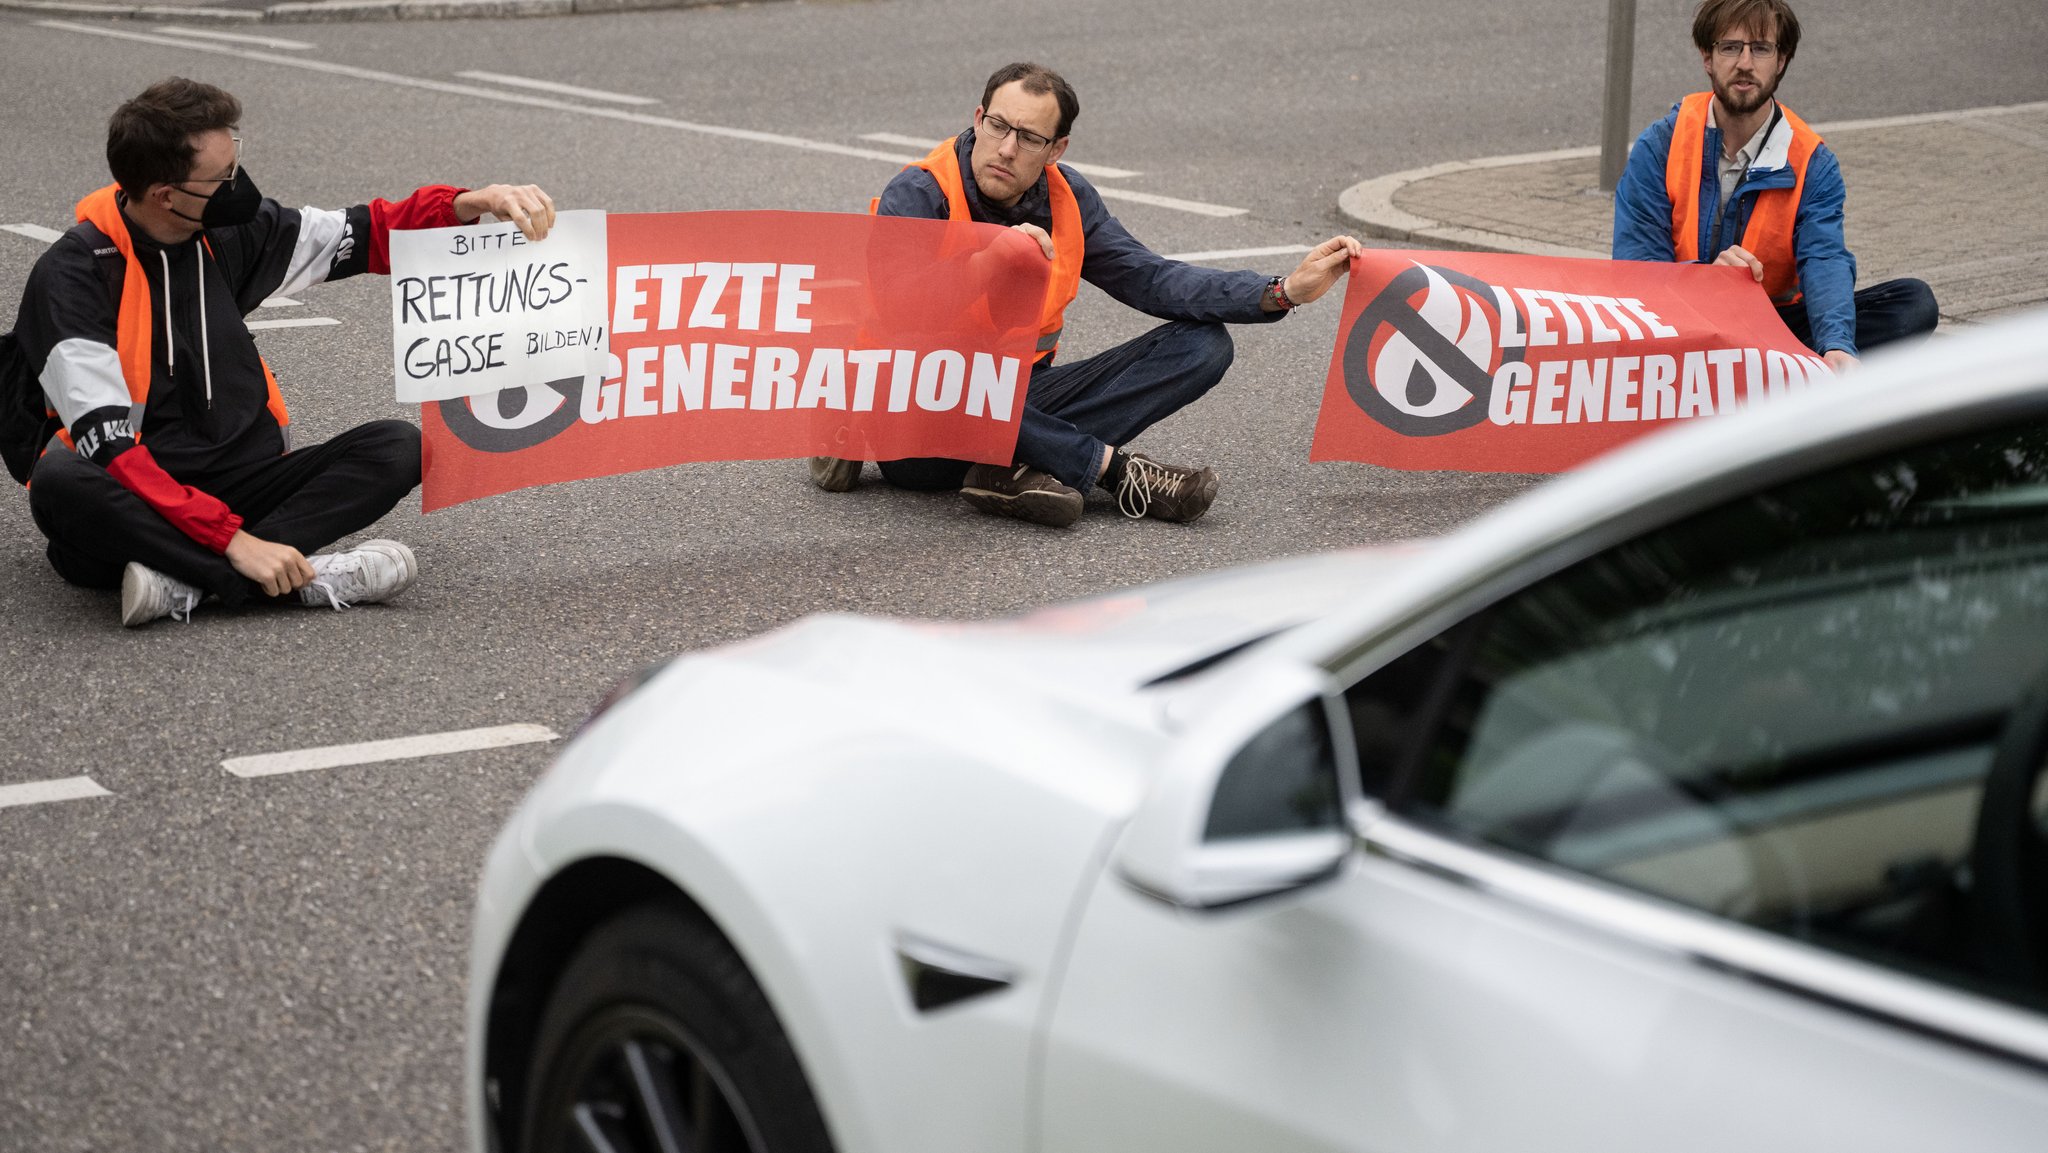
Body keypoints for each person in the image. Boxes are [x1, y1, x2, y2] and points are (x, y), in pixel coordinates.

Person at [10, 77, 557, 626]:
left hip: (243, 483)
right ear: (165, 195)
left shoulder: (229, 232)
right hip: (140, 497)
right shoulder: (73, 277)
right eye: (220, 178)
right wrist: (231, 542)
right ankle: (286, 578)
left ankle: (187, 584)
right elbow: (109, 447)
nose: (237, 185)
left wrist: (470, 203)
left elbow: (363, 233)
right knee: (62, 482)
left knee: (399, 447)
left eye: (235, 163)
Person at [810, 61, 1362, 528]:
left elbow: (1151, 278)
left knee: (1204, 346)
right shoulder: (919, 193)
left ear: (1056, 148)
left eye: (1028, 138)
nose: (1006, 148)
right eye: (998, 125)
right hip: (923, 412)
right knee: (967, 392)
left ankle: (1012, 468)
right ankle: (1118, 472)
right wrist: (991, 262)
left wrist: (1283, 291)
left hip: (1023, 399)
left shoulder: (1068, 197)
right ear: (978, 119)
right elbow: (899, 307)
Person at [1612, 0, 1937, 370]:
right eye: (1730, 47)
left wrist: (1836, 343)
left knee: (1914, 303)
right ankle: (1775, 370)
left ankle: (1776, 364)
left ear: (1781, 61)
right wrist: (1707, 280)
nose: (1745, 63)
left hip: (1772, 325)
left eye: (1761, 49)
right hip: (1681, 320)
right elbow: (1638, 270)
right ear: (1707, 57)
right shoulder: (1660, 145)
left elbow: (1824, 258)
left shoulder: (1812, 159)